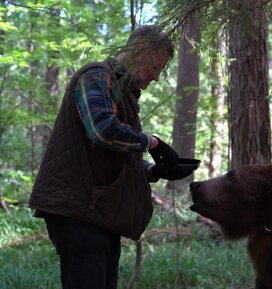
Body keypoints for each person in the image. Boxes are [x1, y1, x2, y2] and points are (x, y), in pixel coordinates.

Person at [29, 25, 197, 289]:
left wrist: (155, 171)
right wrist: (151, 141)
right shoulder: (96, 76)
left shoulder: (121, 91)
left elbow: (111, 156)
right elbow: (102, 130)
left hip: (97, 212)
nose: (155, 77)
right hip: (78, 210)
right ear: (139, 52)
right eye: (155, 68)